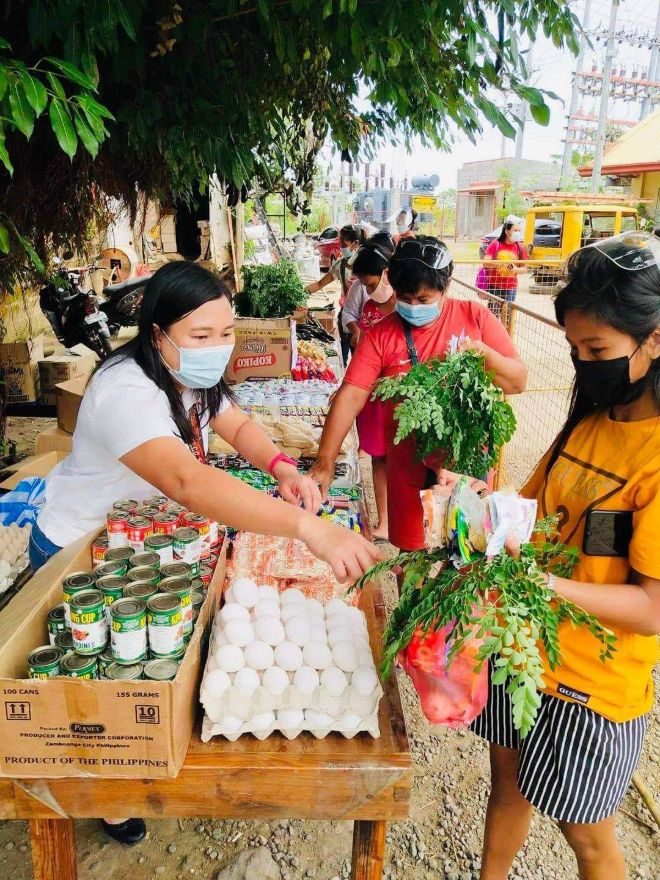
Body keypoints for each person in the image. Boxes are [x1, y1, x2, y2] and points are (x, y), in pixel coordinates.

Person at [30, 261, 380, 845]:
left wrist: (282, 468)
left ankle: (132, 762)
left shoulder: (187, 376)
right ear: (158, 333)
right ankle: (105, 793)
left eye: (226, 332)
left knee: (142, 663)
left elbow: (236, 423)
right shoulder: (126, 390)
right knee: (96, 677)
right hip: (84, 550)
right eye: (200, 336)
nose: (217, 347)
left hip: (145, 543)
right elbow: (189, 483)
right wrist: (307, 529)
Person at [452, 232, 660, 880]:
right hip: (523, 654)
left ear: (655, 338)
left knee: (589, 842)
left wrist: (544, 586)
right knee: (507, 788)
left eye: (596, 349)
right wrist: (471, 512)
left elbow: (651, 608)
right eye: (575, 349)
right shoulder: (593, 420)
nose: (582, 364)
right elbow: (533, 512)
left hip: (590, 687)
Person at [309, 236, 527, 554]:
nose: (413, 306)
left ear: (446, 286)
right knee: (411, 556)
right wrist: (325, 461)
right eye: (404, 298)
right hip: (408, 467)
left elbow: (517, 382)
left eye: (424, 300)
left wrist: (483, 354)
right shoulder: (381, 335)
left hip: (466, 467)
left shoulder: (474, 319)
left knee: (466, 555)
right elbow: (351, 396)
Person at [341, 240, 396, 540]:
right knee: (378, 458)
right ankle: (384, 521)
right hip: (371, 397)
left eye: (370, 282)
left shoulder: (407, 305)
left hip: (397, 398)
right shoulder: (371, 307)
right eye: (363, 283)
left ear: (387, 273)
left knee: (403, 463)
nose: (367, 288)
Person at [306, 223, 365, 364]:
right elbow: (320, 284)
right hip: (346, 318)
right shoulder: (340, 265)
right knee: (341, 360)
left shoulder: (368, 265)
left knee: (361, 361)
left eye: (343, 244)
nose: (341, 247)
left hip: (365, 321)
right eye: (340, 244)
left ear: (356, 243)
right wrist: (298, 293)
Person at [482, 215, 528, 318]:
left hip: (510, 288)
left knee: (507, 317)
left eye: (519, 230)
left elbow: (525, 268)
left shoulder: (520, 247)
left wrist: (516, 269)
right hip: (494, 286)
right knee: (492, 317)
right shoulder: (495, 244)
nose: (518, 233)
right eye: (515, 230)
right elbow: (486, 262)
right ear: (507, 232)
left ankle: (506, 334)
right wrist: (501, 263)